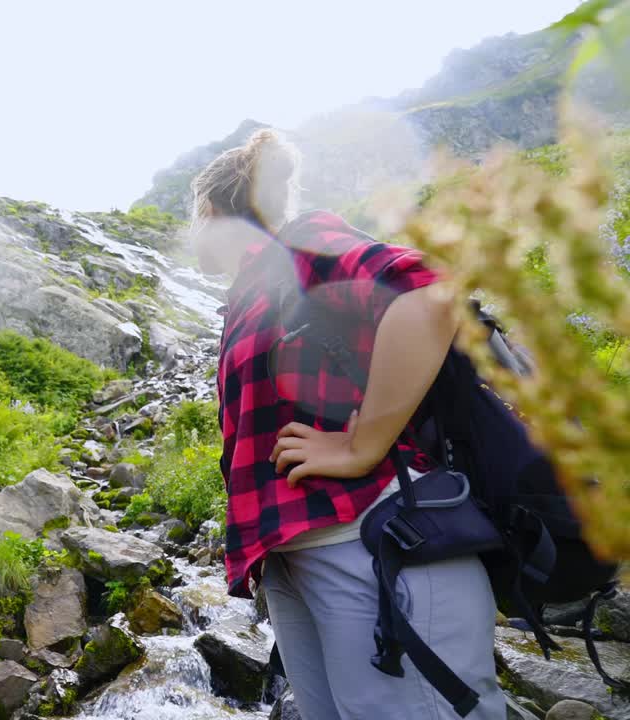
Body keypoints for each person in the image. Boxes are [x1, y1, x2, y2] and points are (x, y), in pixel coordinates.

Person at [193, 128, 506, 719]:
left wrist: (362, 445)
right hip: (296, 552)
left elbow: (430, 294)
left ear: (211, 211)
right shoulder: (248, 294)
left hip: (375, 536)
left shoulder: (303, 242)